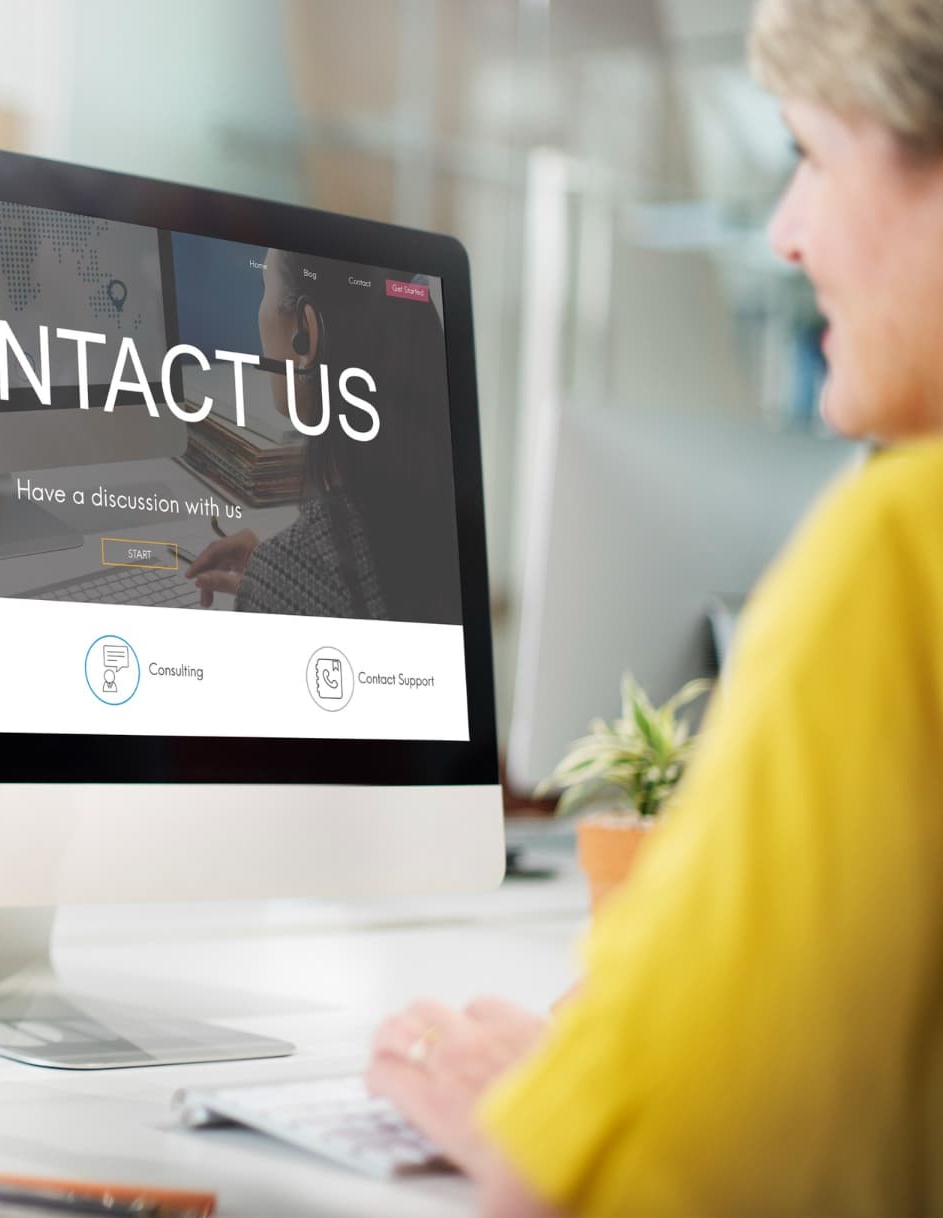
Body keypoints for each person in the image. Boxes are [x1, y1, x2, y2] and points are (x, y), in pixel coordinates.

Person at [365, 1, 943, 1214]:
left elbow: (642, 1181)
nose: (786, 234)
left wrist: (535, 1110)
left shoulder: (902, 548)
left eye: (812, 156)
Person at [184, 248, 463, 625]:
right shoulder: (445, 508)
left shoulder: (295, 573)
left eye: (264, 286)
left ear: (306, 334)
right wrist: (286, 574)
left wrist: (284, 581)